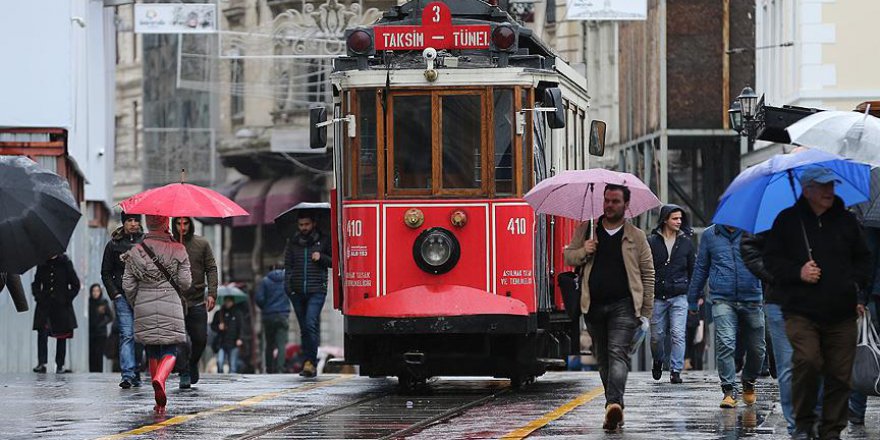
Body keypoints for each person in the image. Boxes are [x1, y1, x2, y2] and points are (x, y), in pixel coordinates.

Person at [764, 167, 872, 439]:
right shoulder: (787, 221)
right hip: (800, 311)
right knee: (808, 361)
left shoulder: (847, 221)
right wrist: (798, 272)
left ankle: (831, 430)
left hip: (842, 312)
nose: (829, 191)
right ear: (807, 189)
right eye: (822, 186)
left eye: (831, 185)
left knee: (840, 375)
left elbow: (864, 260)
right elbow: (772, 262)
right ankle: (803, 423)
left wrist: (856, 291)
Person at [563, 184, 654, 431]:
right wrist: (584, 250)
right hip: (593, 305)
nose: (610, 205)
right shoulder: (588, 229)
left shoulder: (636, 236)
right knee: (603, 359)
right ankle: (614, 407)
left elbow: (648, 274)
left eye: (615, 201)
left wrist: (645, 312)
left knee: (617, 354)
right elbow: (568, 257)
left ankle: (613, 403)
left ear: (626, 205)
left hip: (624, 305)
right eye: (607, 200)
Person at [688, 224, 765, 409]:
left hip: (752, 298)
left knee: (758, 349)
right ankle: (729, 390)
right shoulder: (710, 235)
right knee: (725, 342)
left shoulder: (753, 232)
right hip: (722, 298)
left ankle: (748, 380)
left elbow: (767, 262)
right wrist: (693, 299)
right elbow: (701, 267)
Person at [122, 214, 191, 413]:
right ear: (166, 223)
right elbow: (185, 283)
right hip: (170, 303)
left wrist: (137, 302)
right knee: (170, 348)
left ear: (148, 223)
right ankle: (160, 378)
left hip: (144, 303)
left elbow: (128, 285)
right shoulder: (178, 249)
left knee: (151, 348)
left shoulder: (136, 250)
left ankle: (158, 398)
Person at [646, 204, 694, 384]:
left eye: (681, 218)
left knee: (678, 334)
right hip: (657, 296)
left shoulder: (686, 242)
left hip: (679, 295)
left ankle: (675, 370)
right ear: (665, 219)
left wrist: (695, 294)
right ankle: (658, 360)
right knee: (656, 337)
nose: (679, 221)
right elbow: (646, 268)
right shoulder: (652, 242)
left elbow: (693, 269)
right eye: (675, 218)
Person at [172, 216, 218, 389]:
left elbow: (211, 268)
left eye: (185, 223)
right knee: (180, 340)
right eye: (178, 223)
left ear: (190, 224)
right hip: (175, 300)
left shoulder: (202, 244)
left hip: (197, 299)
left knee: (200, 339)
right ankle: (184, 371)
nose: (182, 227)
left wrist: (212, 293)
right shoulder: (169, 245)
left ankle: (192, 363)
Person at [284, 212, 332, 378]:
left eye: (306, 224)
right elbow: (288, 267)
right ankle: (308, 362)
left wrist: (321, 257)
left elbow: (335, 262)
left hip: (317, 290)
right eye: (301, 225)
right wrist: (288, 288)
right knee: (305, 328)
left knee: (311, 323)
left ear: (313, 224)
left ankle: (311, 362)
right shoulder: (292, 242)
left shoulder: (324, 240)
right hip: (297, 292)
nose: (304, 228)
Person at [101, 211, 145, 388]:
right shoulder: (114, 244)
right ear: (124, 223)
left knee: (140, 336)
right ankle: (127, 374)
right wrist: (115, 294)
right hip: (122, 296)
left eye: (136, 220)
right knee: (127, 334)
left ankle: (136, 371)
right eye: (129, 220)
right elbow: (105, 272)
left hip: (142, 296)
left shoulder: (146, 243)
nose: (133, 224)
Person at [31, 253, 80, 374]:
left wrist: (67, 298)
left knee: (61, 335)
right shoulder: (42, 264)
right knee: (42, 332)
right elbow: (36, 284)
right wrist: (39, 298)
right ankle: (42, 363)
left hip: (61, 306)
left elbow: (76, 284)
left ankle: (60, 364)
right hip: (45, 306)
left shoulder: (65, 263)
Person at [255, 265, 291, 373]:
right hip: (283, 315)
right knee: (281, 344)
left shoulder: (265, 281)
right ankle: (280, 368)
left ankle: (269, 368)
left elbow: (259, 298)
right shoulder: (286, 281)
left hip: (269, 316)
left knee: (269, 344)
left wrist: (265, 307)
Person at [211, 296, 244, 373]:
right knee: (220, 362)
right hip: (221, 342)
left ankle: (232, 380)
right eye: (226, 301)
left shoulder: (237, 313)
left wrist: (240, 338)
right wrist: (219, 327)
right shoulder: (219, 313)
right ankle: (220, 377)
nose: (227, 303)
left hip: (233, 342)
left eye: (229, 301)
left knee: (233, 365)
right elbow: (213, 326)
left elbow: (241, 327)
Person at [88, 284, 113, 373]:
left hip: (101, 333)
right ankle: (92, 371)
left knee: (99, 354)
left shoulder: (103, 302)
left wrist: (102, 324)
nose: (95, 293)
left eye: (97, 291)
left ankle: (99, 372)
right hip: (91, 332)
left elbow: (110, 316)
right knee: (92, 353)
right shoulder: (89, 302)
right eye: (93, 291)